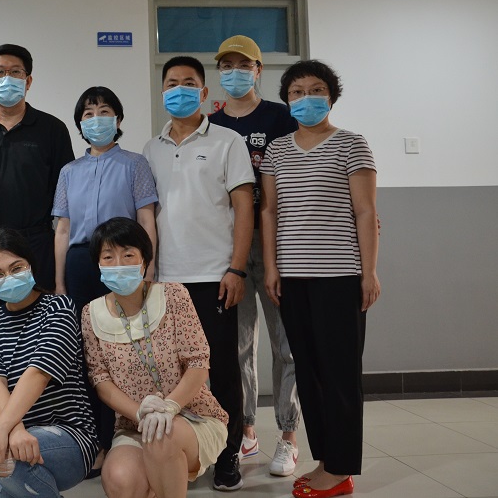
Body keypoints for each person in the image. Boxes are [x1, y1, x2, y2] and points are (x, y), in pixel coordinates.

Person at [261, 60, 380, 498]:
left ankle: (341, 468)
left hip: (340, 276)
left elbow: (366, 211)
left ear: (331, 97)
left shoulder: (352, 144)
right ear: (287, 100)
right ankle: (326, 461)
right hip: (292, 277)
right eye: (296, 91)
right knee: (308, 373)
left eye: (315, 90)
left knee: (340, 373)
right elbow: (269, 211)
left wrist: (369, 272)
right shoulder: (277, 150)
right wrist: (271, 267)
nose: (305, 98)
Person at [0, 44, 74, 467]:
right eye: (0, 72)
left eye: (16, 71)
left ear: (29, 79)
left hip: (35, 245)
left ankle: (44, 428)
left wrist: (59, 263)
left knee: (42, 338)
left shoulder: (52, 129)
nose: (8, 79)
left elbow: (65, 197)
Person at [142, 56, 255, 491]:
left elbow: (244, 207)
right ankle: (186, 449)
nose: (180, 90)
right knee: (176, 371)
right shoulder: (151, 148)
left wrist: (237, 268)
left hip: (215, 277)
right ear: (163, 92)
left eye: (189, 83)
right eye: (172, 83)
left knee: (222, 367)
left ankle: (228, 455)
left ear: (204, 93)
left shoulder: (228, 141)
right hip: (166, 279)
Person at [207, 36, 302, 476]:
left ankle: (289, 435)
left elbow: (301, 173)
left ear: (258, 70)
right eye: (227, 65)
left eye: (243, 65)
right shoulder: (211, 124)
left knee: (287, 343)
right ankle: (246, 431)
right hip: (230, 249)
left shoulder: (281, 118)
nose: (234, 72)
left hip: (277, 243)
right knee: (237, 345)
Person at [82, 217, 229, 498]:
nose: (118, 264)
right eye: (108, 257)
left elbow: (198, 363)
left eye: (128, 255)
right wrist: (139, 413)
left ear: (144, 260)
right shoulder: (91, 313)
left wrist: (170, 406)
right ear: (98, 264)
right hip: (133, 425)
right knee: (120, 480)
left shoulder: (173, 295)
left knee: (161, 438)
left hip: (192, 415)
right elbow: (101, 380)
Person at [52, 85, 158, 475]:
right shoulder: (69, 171)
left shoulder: (135, 164)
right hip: (81, 264)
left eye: (104, 111)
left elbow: (146, 219)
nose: (96, 119)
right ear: (80, 124)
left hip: (123, 264)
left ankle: (129, 437)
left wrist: (148, 270)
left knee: (126, 349)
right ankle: (95, 442)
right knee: (88, 353)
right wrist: (60, 282)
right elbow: (63, 229)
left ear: (118, 119)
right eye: (88, 113)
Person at [0, 228, 99, 498]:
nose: (8, 277)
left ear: (31, 265)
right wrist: (14, 430)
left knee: (6, 461)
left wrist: (1, 431)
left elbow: (38, 374)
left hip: (69, 434)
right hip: (10, 435)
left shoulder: (59, 308)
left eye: (16, 268)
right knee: (2, 474)